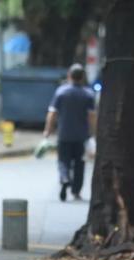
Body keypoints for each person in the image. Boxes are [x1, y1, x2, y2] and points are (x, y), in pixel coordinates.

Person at [43, 63, 97, 201]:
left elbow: (52, 113)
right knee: (80, 164)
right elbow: (91, 116)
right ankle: (76, 191)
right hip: (81, 136)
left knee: (63, 161)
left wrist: (48, 130)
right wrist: (93, 133)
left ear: (69, 76)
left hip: (64, 134)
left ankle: (64, 177)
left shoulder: (61, 92)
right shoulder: (88, 94)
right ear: (82, 77)